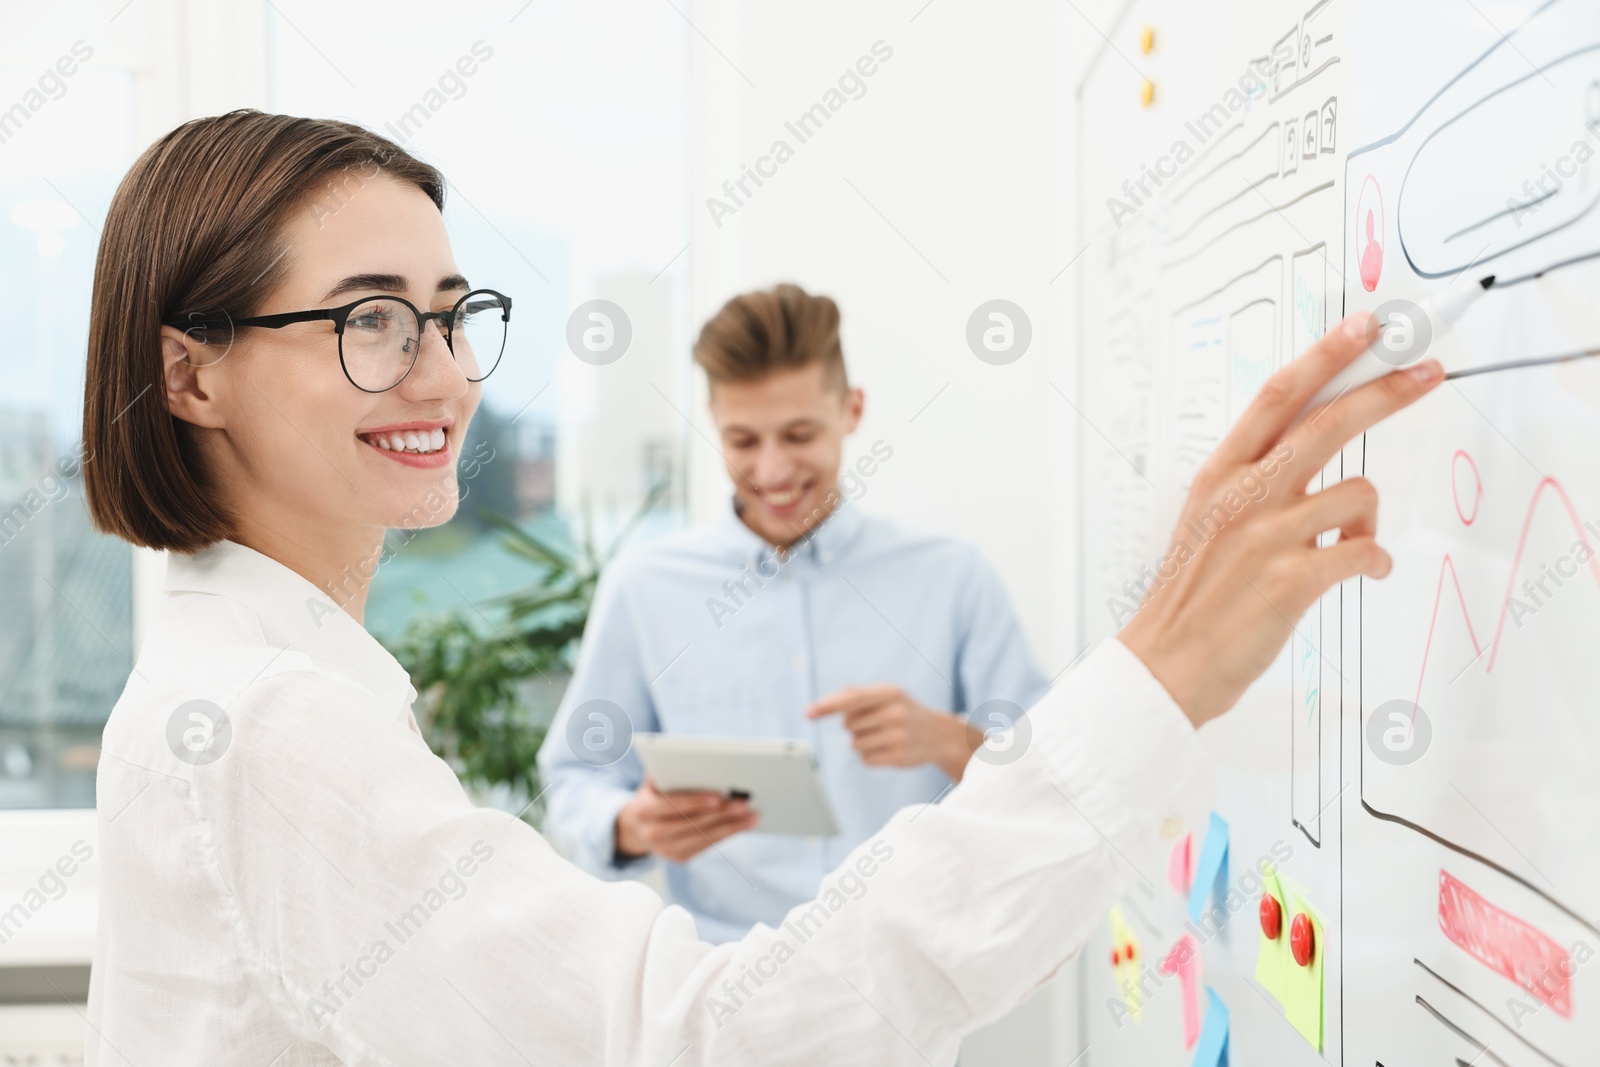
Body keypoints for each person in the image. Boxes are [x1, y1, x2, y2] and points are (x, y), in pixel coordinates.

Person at [82, 110, 1441, 1065]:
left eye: (450, 311)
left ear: (852, 416)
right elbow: (701, 1029)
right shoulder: (269, 719)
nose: (442, 370)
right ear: (191, 373)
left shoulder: (263, 684)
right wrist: (1160, 670)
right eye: (370, 319)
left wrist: (976, 740)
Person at [537, 282, 1049, 943]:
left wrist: (951, 741)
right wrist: (627, 824)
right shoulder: (644, 588)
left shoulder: (953, 578)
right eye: (743, 440)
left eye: (799, 433)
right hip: (723, 981)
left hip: (908, 970)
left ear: (852, 410)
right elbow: (575, 776)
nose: (773, 470)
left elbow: (1051, 771)